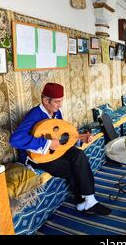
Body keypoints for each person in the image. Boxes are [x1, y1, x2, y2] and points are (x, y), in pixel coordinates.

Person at [9, 82, 112, 216]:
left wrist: (80, 138)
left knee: (79, 156)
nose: (60, 105)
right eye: (57, 102)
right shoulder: (34, 115)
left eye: (61, 101)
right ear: (46, 101)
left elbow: (63, 137)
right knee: (71, 167)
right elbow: (15, 139)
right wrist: (46, 143)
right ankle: (82, 201)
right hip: (38, 157)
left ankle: (90, 200)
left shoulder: (56, 113)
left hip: (56, 151)